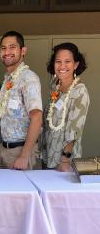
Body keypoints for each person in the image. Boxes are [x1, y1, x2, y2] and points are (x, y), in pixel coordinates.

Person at [0, 31, 42, 170]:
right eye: (3, 48)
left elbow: (37, 117)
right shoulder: (8, 79)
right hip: (3, 149)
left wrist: (24, 156)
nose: (7, 51)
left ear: (23, 50)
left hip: (21, 152)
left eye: (12, 47)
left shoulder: (28, 78)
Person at [42, 42, 90, 172]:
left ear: (76, 64)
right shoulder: (55, 86)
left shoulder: (80, 92)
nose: (62, 66)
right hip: (48, 158)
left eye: (67, 61)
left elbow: (74, 130)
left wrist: (65, 160)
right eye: (58, 61)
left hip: (64, 163)